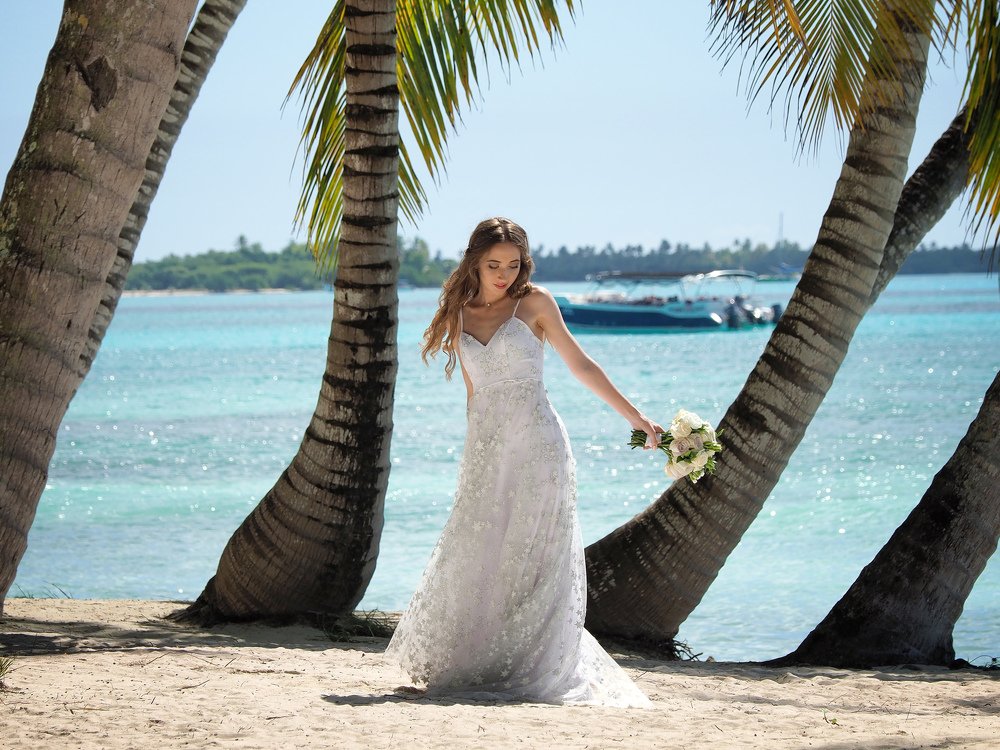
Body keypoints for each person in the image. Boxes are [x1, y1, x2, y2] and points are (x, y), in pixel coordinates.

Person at [384, 217, 662, 707]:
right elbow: (474, 393)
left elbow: (580, 364)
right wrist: (474, 457)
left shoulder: (534, 303)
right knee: (481, 549)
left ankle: (532, 661)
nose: (503, 275)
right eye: (493, 264)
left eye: (513, 265)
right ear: (474, 260)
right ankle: (479, 657)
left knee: (535, 554)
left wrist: (634, 415)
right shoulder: (457, 314)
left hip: (539, 444)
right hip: (489, 451)